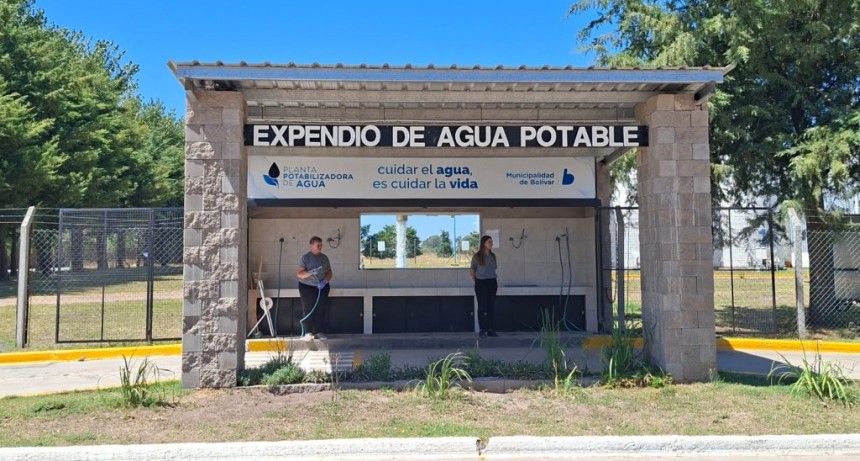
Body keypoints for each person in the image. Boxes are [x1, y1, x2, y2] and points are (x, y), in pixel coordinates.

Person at [296, 236, 333, 340]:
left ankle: (318, 331)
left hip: (322, 286)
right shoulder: (305, 258)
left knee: (321, 308)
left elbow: (329, 272)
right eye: (318, 245)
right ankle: (307, 332)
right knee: (308, 308)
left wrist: (325, 281)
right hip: (307, 286)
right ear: (311, 246)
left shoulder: (324, 258)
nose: (320, 247)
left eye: (321, 245)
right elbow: (299, 274)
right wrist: (309, 273)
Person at [470, 235, 498, 337]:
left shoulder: (493, 256)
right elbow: (472, 270)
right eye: (489, 242)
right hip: (481, 282)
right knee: (482, 306)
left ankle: (491, 329)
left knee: (491, 306)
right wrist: (477, 281)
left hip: (492, 282)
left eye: (492, 242)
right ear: (484, 243)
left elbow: (494, 269)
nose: (491, 244)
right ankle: (482, 329)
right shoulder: (477, 256)